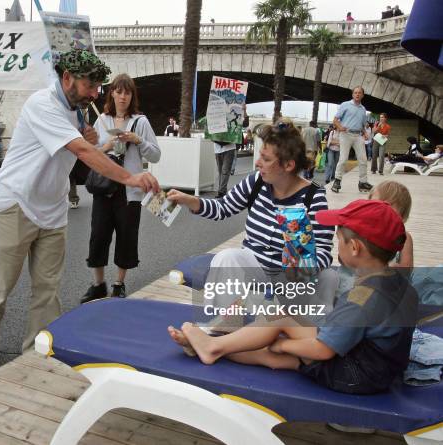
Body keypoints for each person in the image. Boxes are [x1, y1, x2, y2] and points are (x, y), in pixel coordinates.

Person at [0, 49, 159, 377]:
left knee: (48, 289)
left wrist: (94, 141)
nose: (96, 93)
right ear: (66, 78)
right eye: (90, 85)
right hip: (17, 204)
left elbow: (85, 150)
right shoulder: (43, 104)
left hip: (52, 211)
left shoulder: (78, 112)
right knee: (0, 285)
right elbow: (81, 152)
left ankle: (36, 352)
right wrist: (128, 176)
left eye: (99, 86)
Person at [169, 199, 418, 395]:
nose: (336, 243)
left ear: (355, 248)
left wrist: (283, 344)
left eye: (338, 238)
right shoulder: (400, 284)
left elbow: (322, 351)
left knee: (273, 349)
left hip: (355, 375)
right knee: (284, 319)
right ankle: (209, 342)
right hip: (378, 367)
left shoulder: (362, 297)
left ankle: (212, 345)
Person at [167, 121, 335, 316]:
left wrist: (303, 268)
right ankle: (219, 327)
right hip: (254, 268)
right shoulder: (256, 182)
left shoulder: (313, 197)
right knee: (227, 257)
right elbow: (223, 207)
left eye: (265, 158)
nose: (257, 163)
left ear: (288, 165)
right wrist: (190, 200)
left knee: (324, 283)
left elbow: (323, 251)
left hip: (291, 279)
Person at [81, 74, 161, 303]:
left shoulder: (141, 122)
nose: (123, 96)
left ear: (131, 95)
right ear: (112, 93)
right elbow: (89, 153)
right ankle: (98, 284)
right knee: (98, 235)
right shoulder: (102, 120)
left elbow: (156, 154)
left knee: (126, 237)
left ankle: (118, 283)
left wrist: (138, 141)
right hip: (103, 187)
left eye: (127, 92)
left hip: (130, 191)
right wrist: (106, 146)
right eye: (119, 91)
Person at [331, 86, 372, 193]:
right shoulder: (345, 105)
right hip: (346, 134)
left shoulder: (363, 109)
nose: (357, 94)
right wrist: (340, 127)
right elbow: (335, 120)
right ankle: (337, 181)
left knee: (363, 159)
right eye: (355, 92)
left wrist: (365, 133)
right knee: (343, 158)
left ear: (363, 95)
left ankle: (363, 183)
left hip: (358, 136)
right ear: (352, 94)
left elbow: (362, 125)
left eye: (359, 93)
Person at [369, 181, 413, 268]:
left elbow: (407, 268)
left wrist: (391, 267)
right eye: (373, 206)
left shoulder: (404, 238)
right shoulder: (362, 232)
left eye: (387, 209)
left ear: (402, 216)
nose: (379, 212)